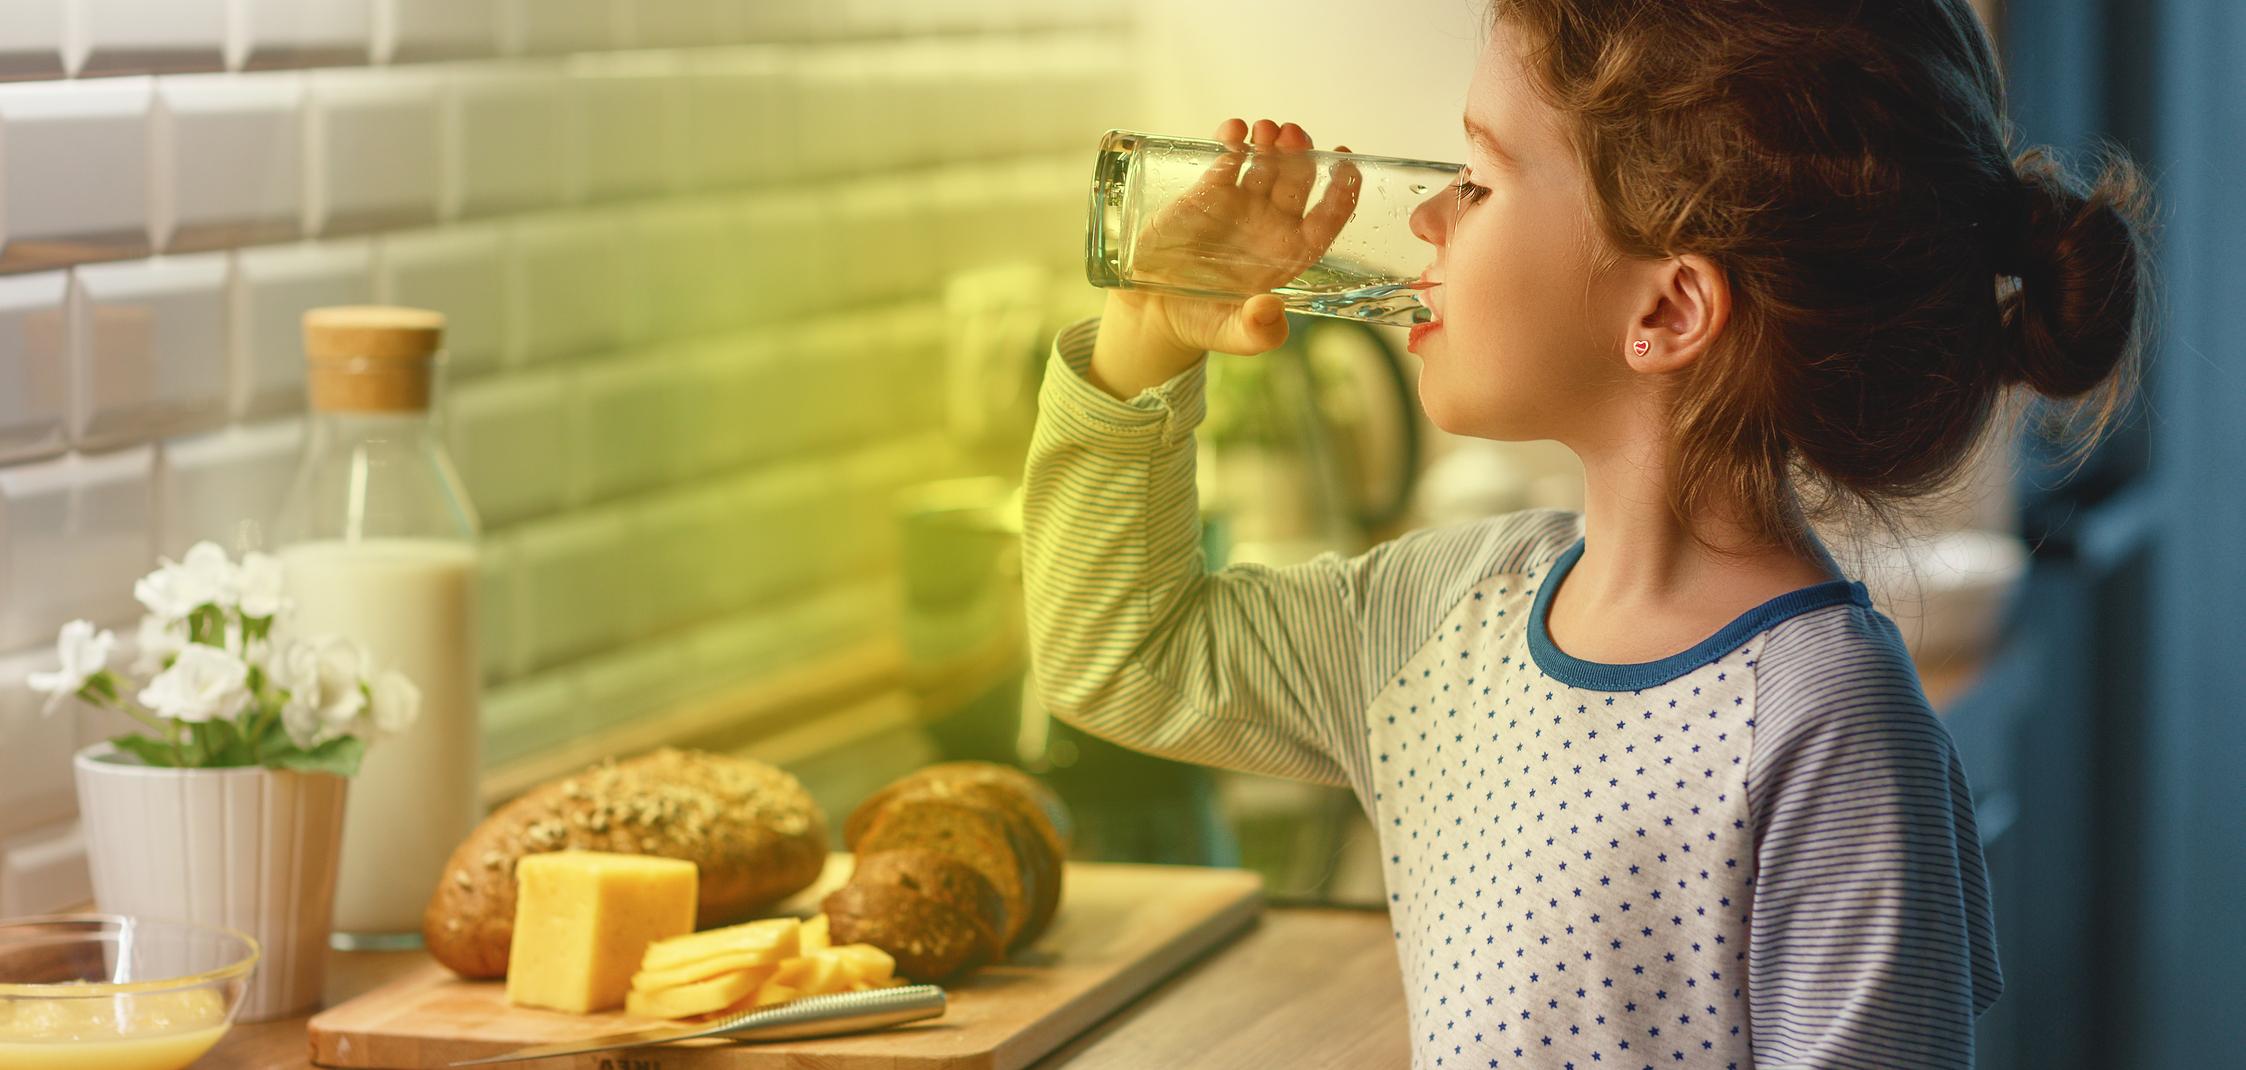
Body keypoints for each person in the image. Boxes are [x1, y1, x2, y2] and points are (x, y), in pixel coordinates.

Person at [1019, 0, 2150, 1066]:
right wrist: (1146, 339)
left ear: (1663, 310)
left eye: (1474, 181)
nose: (1421, 218)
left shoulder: (1829, 734)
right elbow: (1123, 649)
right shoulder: (1439, 614)